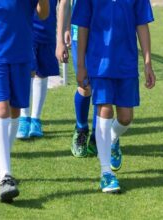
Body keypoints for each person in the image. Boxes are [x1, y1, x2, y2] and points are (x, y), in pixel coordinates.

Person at [0, 0, 49, 203]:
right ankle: (6, 176)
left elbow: (44, 14)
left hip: (22, 54)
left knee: (14, 111)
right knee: (1, 109)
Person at [72, 0, 156, 193]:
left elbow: (142, 24)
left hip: (126, 62)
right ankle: (106, 173)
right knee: (105, 109)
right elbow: (83, 26)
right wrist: (82, 65)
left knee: (126, 118)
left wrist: (147, 62)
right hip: (99, 62)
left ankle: (111, 138)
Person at [16, 0, 69, 139]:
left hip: (49, 30)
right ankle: (24, 118)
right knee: (28, 72)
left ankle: (35, 119)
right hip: (27, 28)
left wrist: (65, 30)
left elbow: (64, 3)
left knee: (43, 73)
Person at [68, 0, 98, 158]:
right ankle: (81, 129)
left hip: (104, 30)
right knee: (85, 85)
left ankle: (97, 137)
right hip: (79, 29)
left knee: (102, 85)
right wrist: (62, 33)